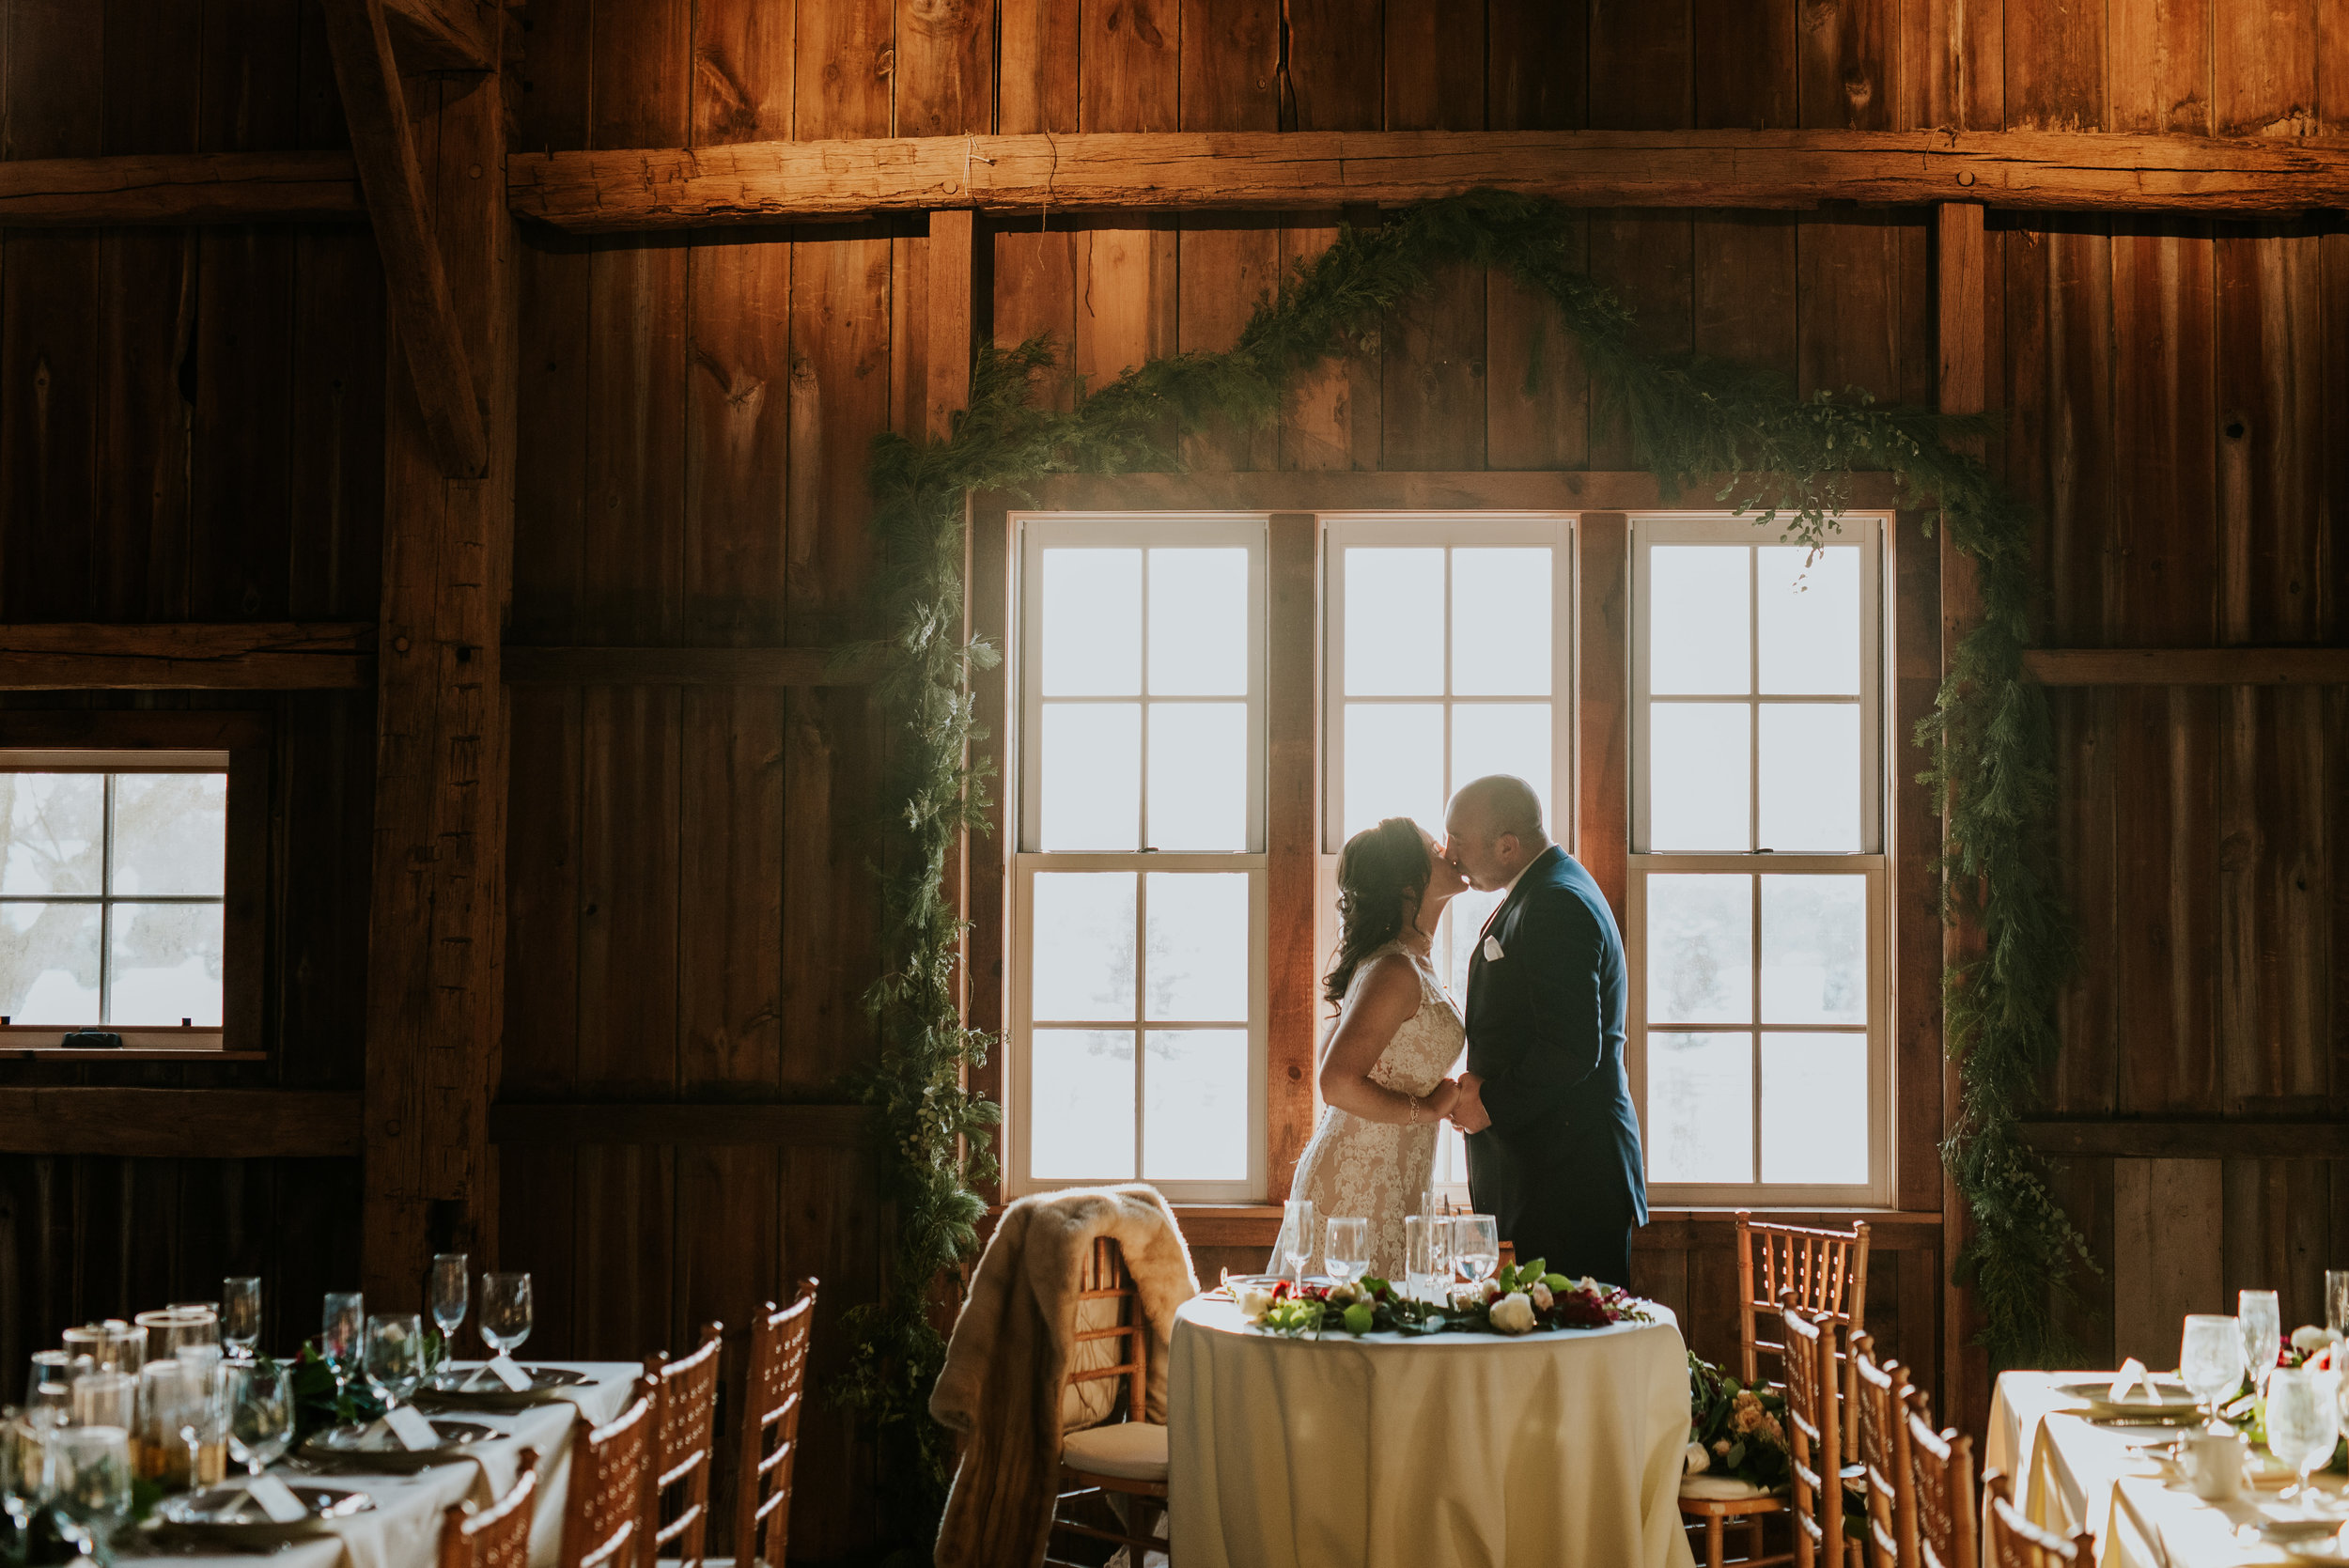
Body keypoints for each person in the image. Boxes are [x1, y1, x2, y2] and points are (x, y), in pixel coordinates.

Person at [1443, 773, 1648, 1286]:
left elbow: (1571, 1048)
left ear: (1508, 845)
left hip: (1571, 1183)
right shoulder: (1545, 886)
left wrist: (1489, 1102)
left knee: (1576, 1353)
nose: (1449, 855)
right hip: (1556, 1177)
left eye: (1458, 842)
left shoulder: (1555, 901)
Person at [1268, 816, 1468, 1281]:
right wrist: (1430, 1106)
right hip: (1355, 1188)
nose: (1447, 850)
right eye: (1433, 848)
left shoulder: (1408, 962)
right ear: (1406, 884)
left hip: (1395, 1181)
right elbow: (1334, 1081)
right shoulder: (1394, 968)